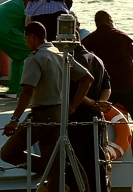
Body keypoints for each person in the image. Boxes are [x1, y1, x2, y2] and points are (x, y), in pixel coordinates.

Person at [0, 21, 93, 192]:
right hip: (60, 115)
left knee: (7, 153)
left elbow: (28, 92)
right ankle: (56, 173)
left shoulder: (35, 59)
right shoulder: (62, 55)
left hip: (42, 116)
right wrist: (72, 106)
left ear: (32, 37)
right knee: (54, 165)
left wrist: (14, 120)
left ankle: (54, 171)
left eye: (26, 39)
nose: (26, 43)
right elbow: (87, 79)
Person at [82, 10, 133, 132]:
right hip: (127, 83)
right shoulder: (124, 37)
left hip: (105, 89)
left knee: (96, 116)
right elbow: (132, 60)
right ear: (109, 21)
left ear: (96, 23)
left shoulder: (88, 41)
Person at [66, 31, 111, 192]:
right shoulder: (97, 59)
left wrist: (92, 103)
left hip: (78, 116)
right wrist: (101, 103)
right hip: (96, 118)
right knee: (97, 160)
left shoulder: (72, 61)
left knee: (75, 160)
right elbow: (107, 85)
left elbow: (74, 90)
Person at [0, 0, 31, 99]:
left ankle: (13, 89)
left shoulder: (24, 1)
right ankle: (22, 92)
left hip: (5, 25)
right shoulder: (38, 7)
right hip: (5, 27)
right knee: (29, 55)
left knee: (18, 57)